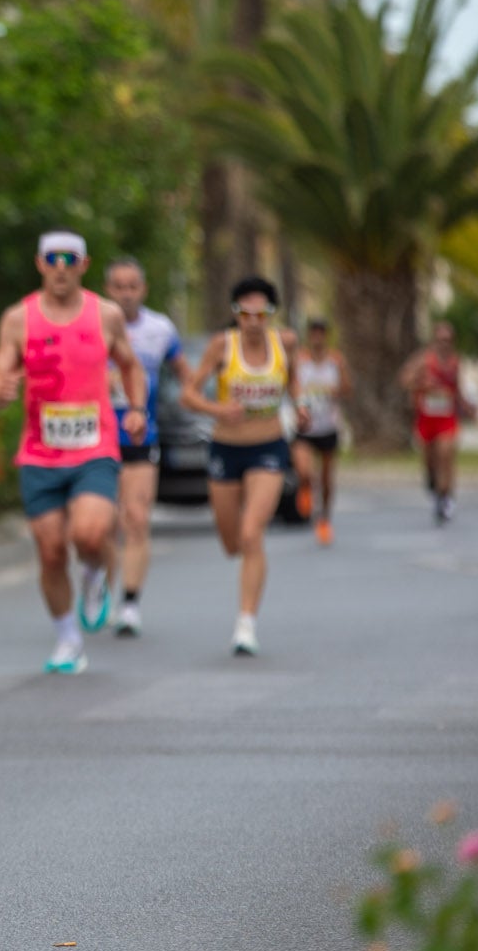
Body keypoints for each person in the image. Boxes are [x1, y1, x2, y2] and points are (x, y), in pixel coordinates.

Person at [0, 232, 146, 675]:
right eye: (52, 259)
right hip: (39, 453)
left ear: (83, 264)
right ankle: (67, 639)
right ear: (39, 264)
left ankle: (94, 576)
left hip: (95, 446)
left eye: (68, 259)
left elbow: (130, 365)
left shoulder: (106, 314)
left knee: (91, 534)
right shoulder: (18, 319)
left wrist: (135, 408)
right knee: (51, 551)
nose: (60, 267)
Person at [183, 276, 299, 657]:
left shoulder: (285, 343)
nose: (252, 320)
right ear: (235, 314)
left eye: (260, 313)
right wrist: (219, 410)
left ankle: (245, 624)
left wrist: (297, 408)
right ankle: (240, 558)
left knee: (252, 534)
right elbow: (189, 395)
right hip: (225, 449)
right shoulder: (222, 346)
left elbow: (292, 379)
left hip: (268, 447)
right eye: (244, 313)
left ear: (270, 314)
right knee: (232, 541)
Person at [101, 257, 182, 635]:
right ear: (108, 290)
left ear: (143, 290)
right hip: (95, 438)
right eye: (119, 286)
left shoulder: (160, 329)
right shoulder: (91, 324)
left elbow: (187, 375)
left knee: (136, 518)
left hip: (139, 436)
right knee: (102, 526)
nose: (126, 294)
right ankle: (98, 581)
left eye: (132, 286)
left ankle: (129, 602)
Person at [291, 318, 350, 547]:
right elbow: (292, 386)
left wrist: (335, 390)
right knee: (304, 470)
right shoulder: (300, 360)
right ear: (309, 335)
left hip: (328, 425)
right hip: (306, 426)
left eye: (321, 333)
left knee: (326, 479)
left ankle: (324, 517)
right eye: (313, 332)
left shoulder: (336, 360)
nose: (317, 337)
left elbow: (348, 388)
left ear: (326, 336)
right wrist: (299, 403)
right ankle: (305, 489)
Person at [401, 321, 465, 523]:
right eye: (440, 340)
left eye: (448, 340)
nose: (444, 344)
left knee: (446, 456)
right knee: (430, 460)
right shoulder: (424, 360)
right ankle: (433, 483)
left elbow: (458, 389)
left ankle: (445, 495)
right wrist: (422, 383)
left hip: (447, 418)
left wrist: (467, 407)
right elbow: (405, 379)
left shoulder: (456, 362)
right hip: (427, 418)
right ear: (434, 340)